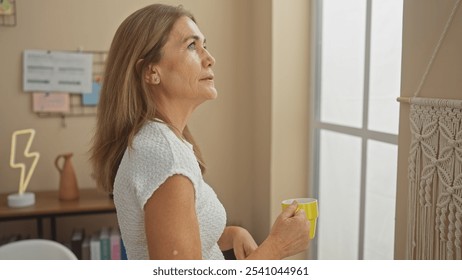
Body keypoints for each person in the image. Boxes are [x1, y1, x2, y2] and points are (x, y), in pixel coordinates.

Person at [90, 3, 310, 260]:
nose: (209, 58)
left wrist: (228, 233)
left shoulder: (160, 141)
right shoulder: (165, 158)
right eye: (192, 46)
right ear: (151, 72)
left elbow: (174, 236)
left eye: (204, 44)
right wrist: (276, 248)